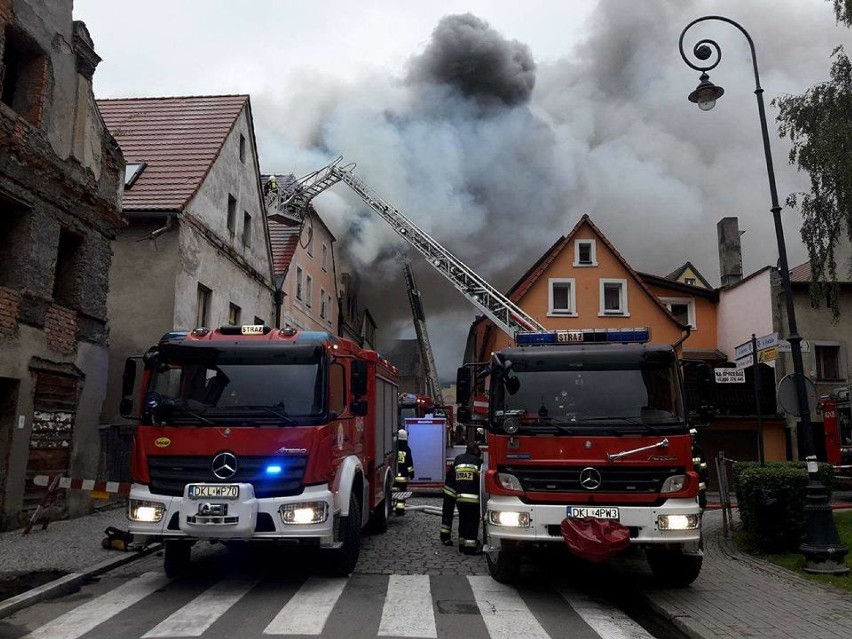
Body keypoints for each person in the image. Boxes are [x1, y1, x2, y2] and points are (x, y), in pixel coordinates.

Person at [447, 443, 483, 554]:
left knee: (463, 521)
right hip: (473, 500)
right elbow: (481, 482)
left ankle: (462, 544)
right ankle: (470, 548)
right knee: (472, 523)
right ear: (476, 452)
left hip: (460, 499)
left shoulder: (458, 459)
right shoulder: (478, 462)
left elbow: (451, 479)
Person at [394, 429, 414, 516]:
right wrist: (411, 473)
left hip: (394, 477)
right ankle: (400, 510)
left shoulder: (394, 448)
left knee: (393, 493)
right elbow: (409, 463)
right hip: (403, 478)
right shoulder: (407, 449)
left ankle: (393, 506)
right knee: (401, 494)